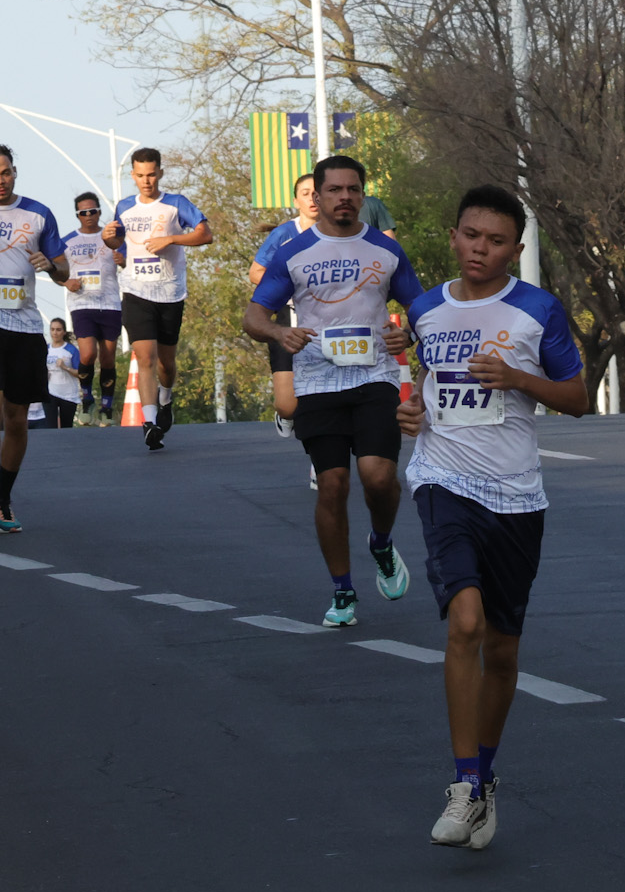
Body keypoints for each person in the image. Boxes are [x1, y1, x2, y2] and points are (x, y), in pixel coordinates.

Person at [395, 184, 589, 851]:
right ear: (454, 236)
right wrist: (411, 412)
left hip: (516, 495)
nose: (481, 249)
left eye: (496, 240)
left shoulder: (538, 310)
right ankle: (464, 784)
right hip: (443, 480)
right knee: (466, 623)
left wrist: (518, 379)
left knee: (503, 650)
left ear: (516, 248)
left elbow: (578, 398)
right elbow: (427, 387)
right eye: (472, 235)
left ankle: (485, 777)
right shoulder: (426, 309)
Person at [243, 155, 423, 628]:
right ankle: (343, 589)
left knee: (378, 478)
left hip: (374, 376)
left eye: (353, 189)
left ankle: (381, 543)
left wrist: (410, 334)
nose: (345, 197)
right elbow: (254, 316)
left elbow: (422, 308)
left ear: (363, 195)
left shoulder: (386, 250)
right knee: (333, 484)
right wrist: (279, 333)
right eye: (335, 190)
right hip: (317, 380)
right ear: (317, 197)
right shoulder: (294, 251)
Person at [107, 146, 214, 450]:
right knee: (145, 358)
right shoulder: (124, 206)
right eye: (141, 175)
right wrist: (109, 241)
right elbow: (118, 242)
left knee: (166, 364)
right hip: (136, 291)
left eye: (152, 174)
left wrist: (172, 238)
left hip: (169, 292)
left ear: (161, 173)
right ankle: (150, 422)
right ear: (132, 175)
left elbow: (205, 234)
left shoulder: (176, 204)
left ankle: (165, 398)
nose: (147, 181)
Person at [0, 146, 70, 531]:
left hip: (24, 328)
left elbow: (64, 270)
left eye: (6, 172)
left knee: (16, 421)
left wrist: (51, 265)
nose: (1, 180)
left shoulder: (39, 214)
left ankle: (2, 500)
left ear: (15, 172)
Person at [249, 172, 322, 441]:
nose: (311, 199)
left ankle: (319, 452)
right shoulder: (284, 234)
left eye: (316, 193)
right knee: (287, 405)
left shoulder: (338, 232)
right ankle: (285, 414)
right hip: (288, 317)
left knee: (323, 396)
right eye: (305, 194)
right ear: (296, 201)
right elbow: (256, 273)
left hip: (326, 318)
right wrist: (288, 286)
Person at [59, 192, 118, 423]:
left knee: (108, 359)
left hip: (110, 303)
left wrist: (123, 260)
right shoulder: (67, 241)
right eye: (83, 212)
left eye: (92, 211)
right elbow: (55, 269)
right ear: (77, 215)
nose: (89, 216)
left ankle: (106, 407)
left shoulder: (112, 238)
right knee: (88, 353)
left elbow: (127, 259)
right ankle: (86, 398)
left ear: (99, 212)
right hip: (82, 304)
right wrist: (66, 282)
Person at [42, 320, 83, 430]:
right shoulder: (46, 349)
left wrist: (65, 367)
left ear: (64, 332)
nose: (55, 333)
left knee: (66, 428)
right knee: (50, 428)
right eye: (52, 329)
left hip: (68, 394)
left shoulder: (71, 350)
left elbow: (80, 373)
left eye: (58, 330)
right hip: (50, 392)